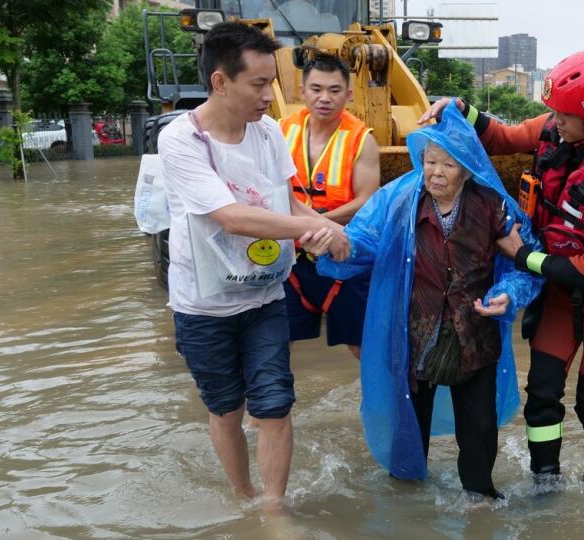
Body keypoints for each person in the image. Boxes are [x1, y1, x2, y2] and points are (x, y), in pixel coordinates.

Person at [420, 49, 584, 487]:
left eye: (566, 115)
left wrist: (519, 255)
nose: (555, 121)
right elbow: (503, 137)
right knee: (542, 394)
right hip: (559, 294)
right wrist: (461, 109)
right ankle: (546, 483)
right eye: (555, 113)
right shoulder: (557, 132)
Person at [158, 22, 347, 512]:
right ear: (221, 82)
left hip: (264, 295)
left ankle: (272, 509)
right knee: (226, 409)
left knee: (275, 405)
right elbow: (231, 217)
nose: (271, 95)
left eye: (273, 83)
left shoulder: (267, 133)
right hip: (203, 305)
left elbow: (288, 202)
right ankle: (242, 494)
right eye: (259, 84)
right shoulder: (182, 140)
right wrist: (309, 232)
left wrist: (331, 229)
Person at [317, 104, 543, 499]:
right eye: (430, 161)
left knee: (479, 431)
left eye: (449, 165)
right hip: (415, 333)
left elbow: (526, 264)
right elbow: (362, 242)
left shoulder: (495, 206)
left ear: (468, 168)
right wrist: (338, 246)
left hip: (474, 333)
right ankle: (408, 501)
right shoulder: (399, 200)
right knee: (408, 426)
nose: (436, 172)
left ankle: (480, 501)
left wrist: (509, 294)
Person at [277, 53, 379, 359]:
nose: (325, 98)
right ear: (302, 91)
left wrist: (320, 223)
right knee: (274, 346)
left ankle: (385, 406)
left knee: (363, 346)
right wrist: (308, 225)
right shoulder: (279, 131)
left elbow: (366, 201)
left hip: (343, 255)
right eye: (317, 89)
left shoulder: (362, 139)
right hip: (289, 258)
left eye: (334, 91)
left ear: (348, 95)